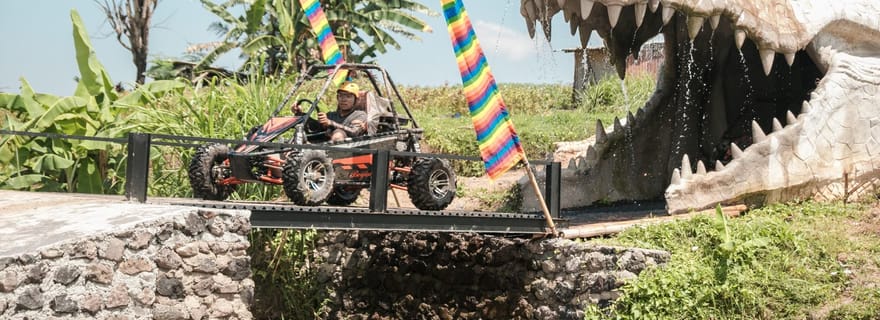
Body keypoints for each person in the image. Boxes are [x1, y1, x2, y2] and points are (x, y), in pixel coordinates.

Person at [294, 81, 367, 142]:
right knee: (300, 132)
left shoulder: (360, 115)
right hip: (324, 150)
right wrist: (299, 114)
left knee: (338, 134)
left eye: (348, 96)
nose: (344, 99)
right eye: (341, 96)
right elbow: (315, 128)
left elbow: (354, 132)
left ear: (356, 100)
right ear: (337, 98)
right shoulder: (331, 115)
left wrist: (330, 123)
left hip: (349, 151)